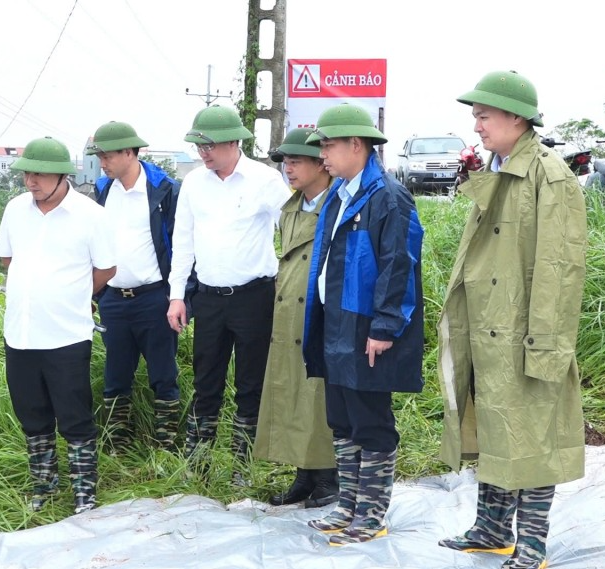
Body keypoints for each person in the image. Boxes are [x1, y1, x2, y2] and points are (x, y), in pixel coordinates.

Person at [436, 70, 587, 569]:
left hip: (524, 335)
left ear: (516, 118)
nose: (476, 125)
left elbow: (559, 269)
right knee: (494, 432)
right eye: (475, 116)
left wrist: (545, 343)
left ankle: (532, 546)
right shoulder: (498, 169)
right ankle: (492, 529)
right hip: (486, 329)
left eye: (483, 115)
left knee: (531, 439)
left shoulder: (550, 175)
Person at [301, 103, 424, 545]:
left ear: (358, 145)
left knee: (371, 419)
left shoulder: (388, 196)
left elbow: (399, 266)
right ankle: (347, 505)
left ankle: (371, 514)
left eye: (329, 146)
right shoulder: (340, 193)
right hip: (335, 320)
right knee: (341, 417)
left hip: (366, 326)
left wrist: (385, 326)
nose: (323, 156)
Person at [166, 105, 291, 480]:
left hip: (254, 296)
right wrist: (176, 295)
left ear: (234, 142)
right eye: (199, 147)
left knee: (251, 382)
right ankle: (198, 462)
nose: (204, 154)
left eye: (211, 146)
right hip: (208, 297)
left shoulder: (265, 180)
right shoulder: (193, 183)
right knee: (206, 379)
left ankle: (243, 463)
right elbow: (182, 241)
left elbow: (293, 228)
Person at [0, 136, 116, 515]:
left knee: (75, 416)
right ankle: (43, 487)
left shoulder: (90, 215)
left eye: (41, 174)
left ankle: (84, 494)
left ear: (62, 175)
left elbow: (106, 268)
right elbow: (8, 260)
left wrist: (72, 295)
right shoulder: (15, 210)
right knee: (32, 415)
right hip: (21, 334)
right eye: (28, 173)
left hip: (66, 335)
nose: (32, 181)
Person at [253, 128, 339, 508]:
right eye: (285, 161)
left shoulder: (336, 206)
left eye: (296, 160)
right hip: (289, 313)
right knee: (291, 392)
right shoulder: (291, 208)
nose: (288, 168)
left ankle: (328, 476)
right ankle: (303, 473)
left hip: (319, 312)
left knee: (317, 396)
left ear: (322, 162)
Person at [86, 121, 183, 452]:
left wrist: (179, 296)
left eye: (107, 156)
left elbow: (183, 245)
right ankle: (118, 446)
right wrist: (96, 293)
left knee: (163, 374)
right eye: (99, 156)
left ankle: (167, 445)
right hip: (113, 298)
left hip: (154, 298)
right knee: (116, 375)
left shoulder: (164, 190)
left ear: (129, 152)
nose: (102, 162)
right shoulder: (102, 191)